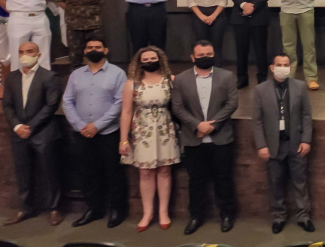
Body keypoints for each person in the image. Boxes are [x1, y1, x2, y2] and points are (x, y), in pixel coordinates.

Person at [172, 40, 240, 234]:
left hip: (221, 138)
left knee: (223, 179)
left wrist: (212, 125)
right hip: (193, 139)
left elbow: (232, 103)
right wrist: (197, 125)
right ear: (192, 57)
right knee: (196, 181)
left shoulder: (227, 76)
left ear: (214, 55)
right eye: (201, 55)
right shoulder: (181, 79)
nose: (205, 57)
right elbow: (177, 107)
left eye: (209, 54)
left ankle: (227, 215)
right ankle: (196, 216)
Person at [62, 37, 129, 228]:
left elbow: (120, 103)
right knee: (87, 172)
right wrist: (79, 125)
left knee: (113, 172)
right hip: (82, 133)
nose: (94, 50)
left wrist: (97, 125)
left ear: (106, 50)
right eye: (90, 47)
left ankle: (117, 209)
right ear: (84, 51)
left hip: (108, 132)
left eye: (98, 47)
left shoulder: (117, 73)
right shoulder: (76, 75)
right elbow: (67, 101)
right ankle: (93, 209)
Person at [251, 53, 315, 234]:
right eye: (279, 64)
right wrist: (261, 145)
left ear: (290, 67)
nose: (283, 68)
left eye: (286, 64)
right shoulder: (260, 90)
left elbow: (306, 115)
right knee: (276, 183)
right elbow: (257, 120)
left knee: (300, 182)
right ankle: (279, 216)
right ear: (272, 68)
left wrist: (306, 140)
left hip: (296, 143)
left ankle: (303, 216)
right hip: (273, 145)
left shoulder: (300, 87)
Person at [118, 46, 180, 232]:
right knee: (145, 172)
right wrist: (123, 139)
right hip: (142, 131)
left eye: (153, 58)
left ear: (160, 59)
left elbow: (179, 106)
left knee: (164, 170)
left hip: (164, 129)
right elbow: (126, 112)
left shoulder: (170, 80)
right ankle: (147, 213)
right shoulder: (132, 84)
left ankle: (163, 212)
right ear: (139, 63)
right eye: (145, 59)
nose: (149, 62)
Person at [1, 42, 63, 226]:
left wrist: (30, 127)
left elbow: (51, 105)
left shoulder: (49, 76)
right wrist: (17, 126)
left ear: (38, 54)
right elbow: (7, 105)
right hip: (19, 134)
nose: (24, 55)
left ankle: (54, 209)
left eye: (29, 51)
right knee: (23, 173)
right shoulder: (12, 77)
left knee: (50, 172)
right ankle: (26, 208)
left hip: (43, 133)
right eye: (21, 52)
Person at [229, 0, 273, 89]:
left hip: (258, 17)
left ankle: (262, 78)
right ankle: (242, 78)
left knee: (261, 51)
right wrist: (243, 5)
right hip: (240, 17)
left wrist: (252, 6)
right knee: (241, 50)